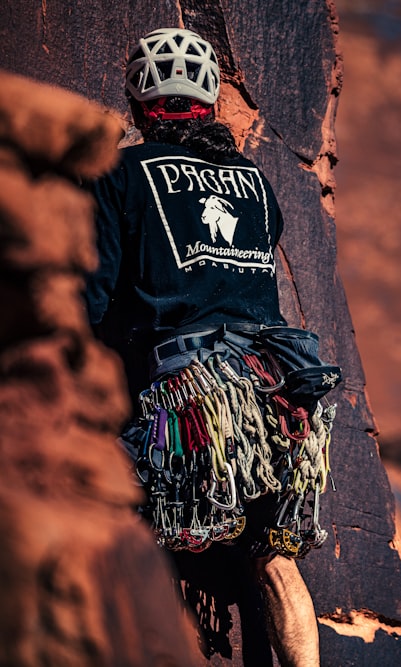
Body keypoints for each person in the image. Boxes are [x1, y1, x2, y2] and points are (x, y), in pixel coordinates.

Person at [85, 27, 334, 667]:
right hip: (280, 393)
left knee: (119, 515)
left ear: (141, 101)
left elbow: (96, 296)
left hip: (191, 395)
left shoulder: (122, 175)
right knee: (274, 558)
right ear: (211, 100)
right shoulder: (254, 183)